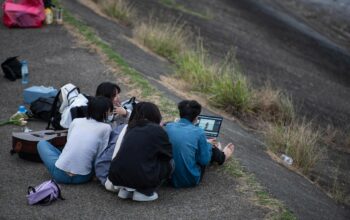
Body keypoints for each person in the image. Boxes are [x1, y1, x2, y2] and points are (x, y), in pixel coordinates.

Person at [37, 96, 113, 184]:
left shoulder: (76, 121)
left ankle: (63, 162)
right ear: (105, 112)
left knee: (41, 143)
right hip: (83, 177)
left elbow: (68, 142)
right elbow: (101, 153)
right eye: (110, 111)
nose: (111, 114)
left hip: (59, 175)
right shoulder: (106, 128)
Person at [108, 102, 173, 201]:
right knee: (171, 162)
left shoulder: (130, 127)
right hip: (141, 178)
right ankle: (144, 192)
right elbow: (168, 154)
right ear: (155, 115)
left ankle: (125, 190)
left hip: (115, 175)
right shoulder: (158, 130)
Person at [165, 100, 234, 188]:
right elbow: (204, 161)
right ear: (197, 118)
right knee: (206, 147)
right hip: (189, 180)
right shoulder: (199, 132)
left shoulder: (168, 127)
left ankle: (219, 152)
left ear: (180, 113)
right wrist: (208, 145)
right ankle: (222, 155)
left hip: (167, 178)